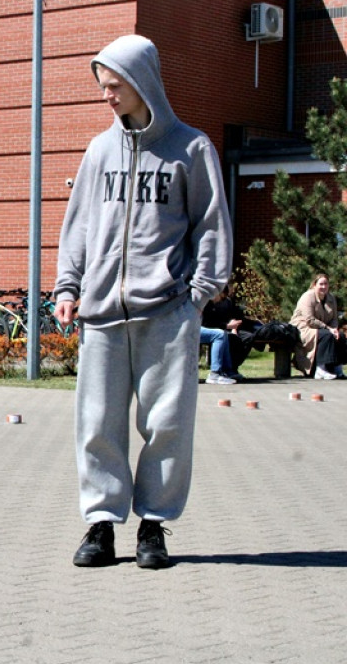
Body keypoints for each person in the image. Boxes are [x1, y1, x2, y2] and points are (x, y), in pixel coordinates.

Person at [53, 35, 233, 569]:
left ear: (142, 81)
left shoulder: (191, 149)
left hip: (168, 312)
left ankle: (153, 526)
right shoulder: (99, 151)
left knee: (167, 424)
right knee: (97, 424)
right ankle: (101, 525)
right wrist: (68, 287)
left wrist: (198, 296)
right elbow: (78, 227)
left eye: (115, 85)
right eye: (102, 86)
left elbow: (211, 226)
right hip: (102, 314)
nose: (106, 95)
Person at [290, 273, 346, 380]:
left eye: (326, 284)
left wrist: (334, 329)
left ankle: (337, 368)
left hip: (322, 328)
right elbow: (310, 320)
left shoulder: (331, 298)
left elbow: (334, 318)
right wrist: (329, 329)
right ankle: (321, 370)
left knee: (341, 336)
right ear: (315, 285)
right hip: (303, 328)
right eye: (321, 284)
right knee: (326, 335)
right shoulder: (307, 297)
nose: (323, 286)